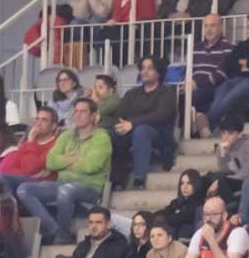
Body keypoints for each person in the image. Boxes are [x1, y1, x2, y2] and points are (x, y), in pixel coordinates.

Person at [19, 98, 112, 244]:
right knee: (24, 189)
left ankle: (62, 235)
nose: (78, 115)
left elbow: (91, 166)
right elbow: (50, 162)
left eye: (83, 111)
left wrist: (63, 161)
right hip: (62, 182)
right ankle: (57, 231)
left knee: (65, 191)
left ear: (93, 116)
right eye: (76, 111)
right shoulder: (66, 136)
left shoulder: (102, 137)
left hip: (89, 187)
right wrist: (75, 159)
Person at [111, 55, 176, 191]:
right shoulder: (132, 93)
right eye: (143, 68)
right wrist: (123, 125)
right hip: (130, 130)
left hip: (159, 134)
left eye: (150, 68)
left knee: (141, 131)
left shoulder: (166, 92)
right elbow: (119, 114)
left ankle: (139, 178)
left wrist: (132, 123)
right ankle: (116, 181)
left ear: (158, 73)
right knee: (115, 132)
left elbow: (161, 115)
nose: (145, 71)